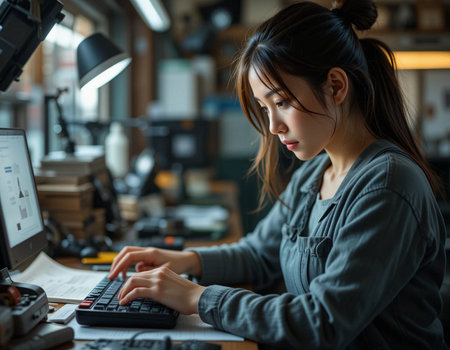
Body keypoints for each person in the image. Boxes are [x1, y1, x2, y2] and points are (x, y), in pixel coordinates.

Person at [108, 0, 448, 348]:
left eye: (281, 102)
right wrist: (184, 260)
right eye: (264, 108)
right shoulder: (316, 172)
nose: (273, 126)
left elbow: (323, 322)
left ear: (335, 86)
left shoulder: (387, 186)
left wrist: (197, 298)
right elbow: (260, 253)